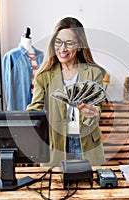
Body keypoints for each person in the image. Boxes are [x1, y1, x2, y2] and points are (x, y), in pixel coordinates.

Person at [26, 17, 106, 166]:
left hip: (87, 144)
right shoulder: (44, 76)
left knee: (89, 188)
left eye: (69, 43)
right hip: (55, 145)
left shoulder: (94, 73)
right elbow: (34, 110)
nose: (62, 49)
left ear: (80, 46)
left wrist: (92, 113)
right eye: (58, 42)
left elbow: (97, 110)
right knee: (56, 187)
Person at [2, 27, 44, 110]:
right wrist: (13, 115)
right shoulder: (11, 56)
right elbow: (9, 90)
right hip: (21, 108)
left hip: (39, 106)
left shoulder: (40, 55)